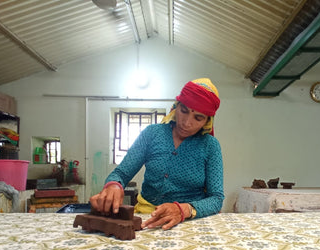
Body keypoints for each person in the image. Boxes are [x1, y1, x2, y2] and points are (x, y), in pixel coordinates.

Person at [90, 78, 225, 229]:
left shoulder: (210, 146)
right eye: (184, 111)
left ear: (207, 121)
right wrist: (113, 186)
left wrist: (183, 210)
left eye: (198, 118)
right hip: (148, 216)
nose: (187, 122)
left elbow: (216, 198)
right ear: (176, 107)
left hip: (190, 221)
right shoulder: (152, 134)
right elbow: (121, 173)